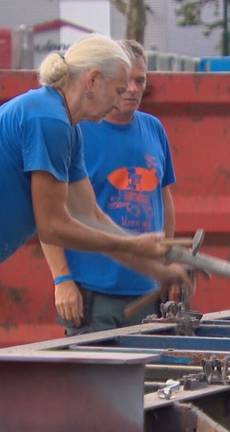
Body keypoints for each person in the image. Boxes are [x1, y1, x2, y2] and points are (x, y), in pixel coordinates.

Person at [0, 35, 186, 287]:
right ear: (93, 79)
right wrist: (132, 244)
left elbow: (91, 216)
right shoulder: (48, 119)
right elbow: (52, 226)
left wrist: (156, 270)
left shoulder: (70, 129)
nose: (120, 99)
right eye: (118, 90)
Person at [39, 40, 181, 334]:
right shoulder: (69, 128)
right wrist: (62, 279)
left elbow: (161, 200)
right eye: (123, 84)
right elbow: (48, 217)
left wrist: (163, 267)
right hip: (94, 294)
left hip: (144, 293)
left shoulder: (153, 129)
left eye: (140, 81)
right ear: (98, 80)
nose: (131, 90)